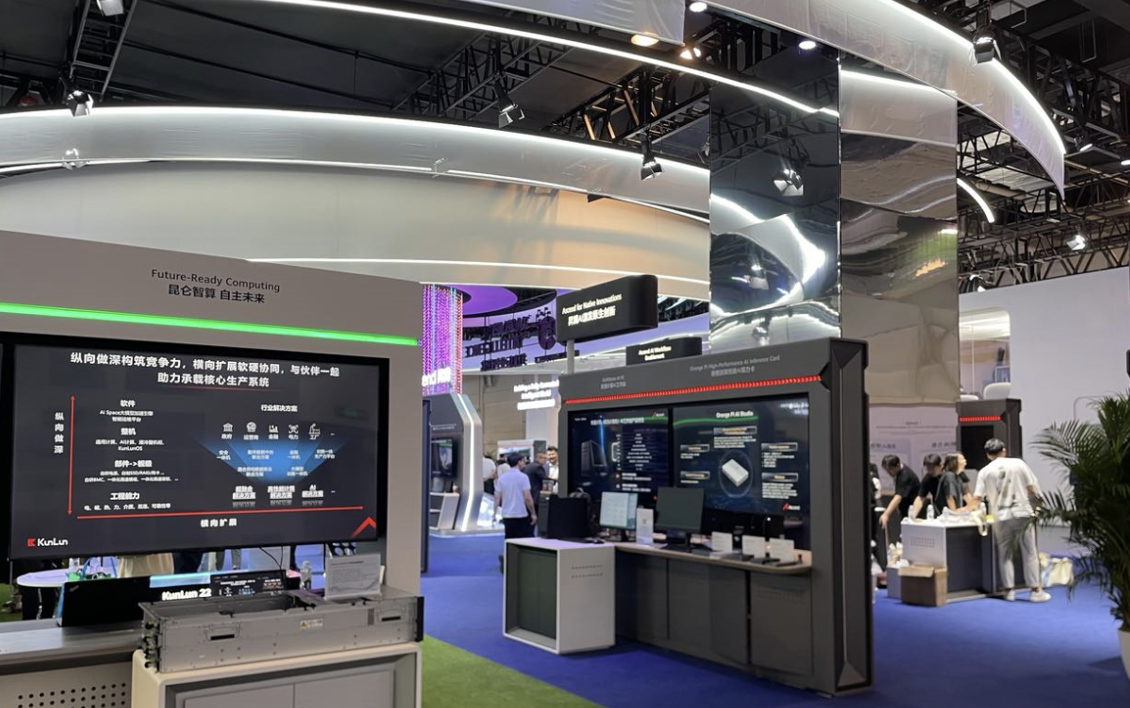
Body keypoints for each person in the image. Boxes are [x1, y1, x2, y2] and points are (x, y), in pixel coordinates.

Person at [963, 438, 1050, 603]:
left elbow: (977, 498)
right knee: (1030, 553)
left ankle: (1009, 591)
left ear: (988, 454)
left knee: (1005, 554)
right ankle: (1035, 590)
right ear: (1004, 450)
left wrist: (962, 511)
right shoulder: (1018, 464)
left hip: (1001, 517)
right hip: (1022, 513)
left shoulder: (985, 472)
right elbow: (1031, 488)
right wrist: (1038, 507)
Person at [495, 453, 537, 540]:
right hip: (521, 514)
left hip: (507, 514)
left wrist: (494, 513)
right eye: (523, 461)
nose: (524, 463)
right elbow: (527, 497)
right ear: (519, 462)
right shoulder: (523, 477)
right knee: (522, 540)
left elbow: (497, 497)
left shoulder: (502, 478)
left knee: (509, 539)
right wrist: (533, 513)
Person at [878, 455, 919, 531]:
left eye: (890, 469)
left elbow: (898, 497)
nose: (888, 472)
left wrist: (886, 514)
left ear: (897, 465)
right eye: (886, 470)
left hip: (914, 511)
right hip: (905, 508)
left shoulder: (905, 475)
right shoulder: (898, 472)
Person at [909, 453, 946, 519]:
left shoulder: (949, 475)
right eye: (928, 469)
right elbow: (920, 498)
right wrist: (913, 515)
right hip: (939, 511)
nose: (930, 471)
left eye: (933, 469)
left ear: (940, 465)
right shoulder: (928, 478)